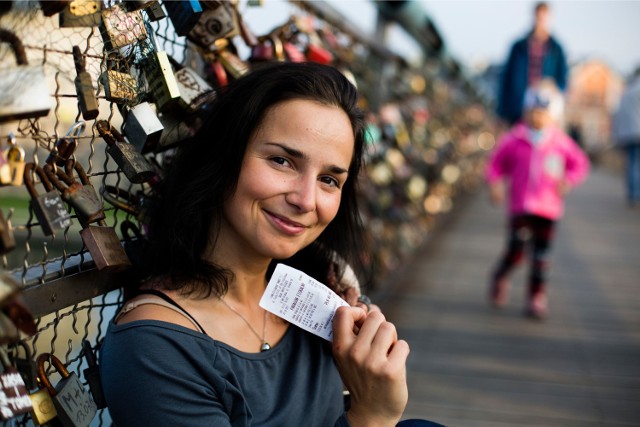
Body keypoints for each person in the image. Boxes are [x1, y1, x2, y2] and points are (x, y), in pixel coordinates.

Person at [99, 62, 416, 426]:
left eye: (329, 179)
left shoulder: (324, 297)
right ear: (223, 157)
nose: (306, 200)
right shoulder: (155, 346)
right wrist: (374, 414)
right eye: (282, 161)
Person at [486, 81, 590, 319]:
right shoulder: (514, 139)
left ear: (554, 116)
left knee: (541, 256)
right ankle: (501, 276)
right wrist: (495, 183)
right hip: (520, 206)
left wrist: (569, 180)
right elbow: (495, 163)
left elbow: (580, 164)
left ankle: (536, 296)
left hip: (548, 207)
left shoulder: (560, 142)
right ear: (526, 112)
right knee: (517, 251)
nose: (538, 118)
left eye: (544, 113)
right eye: (534, 112)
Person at [496, 1, 568, 126]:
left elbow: (563, 80)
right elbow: (506, 80)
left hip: (544, 110)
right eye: (538, 17)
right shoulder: (518, 47)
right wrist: (501, 112)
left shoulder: (556, 49)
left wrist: (551, 87)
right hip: (519, 109)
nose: (540, 21)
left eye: (543, 18)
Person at [612, 66, 640, 207]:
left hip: (628, 132)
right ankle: (636, 194)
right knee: (636, 164)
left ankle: (633, 194)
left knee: (632, 163)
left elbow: (618, 114)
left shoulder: (628, 91)